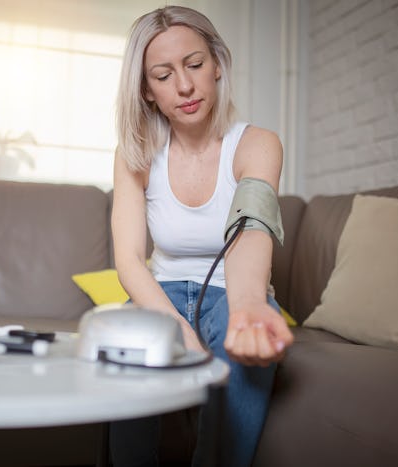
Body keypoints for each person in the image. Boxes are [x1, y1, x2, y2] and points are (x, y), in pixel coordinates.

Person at [109, 5, 295, 467]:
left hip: (234, 289)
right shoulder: (135, 154)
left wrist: (249, 305)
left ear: (216, 66)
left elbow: (250, 232)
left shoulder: (258, 144)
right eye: (163, 75)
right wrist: (175, 326)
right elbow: (129, 260)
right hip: (161, 289)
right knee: (130, 337)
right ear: (147, 91)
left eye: (194, 65)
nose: (185, 86)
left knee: (244, 344)